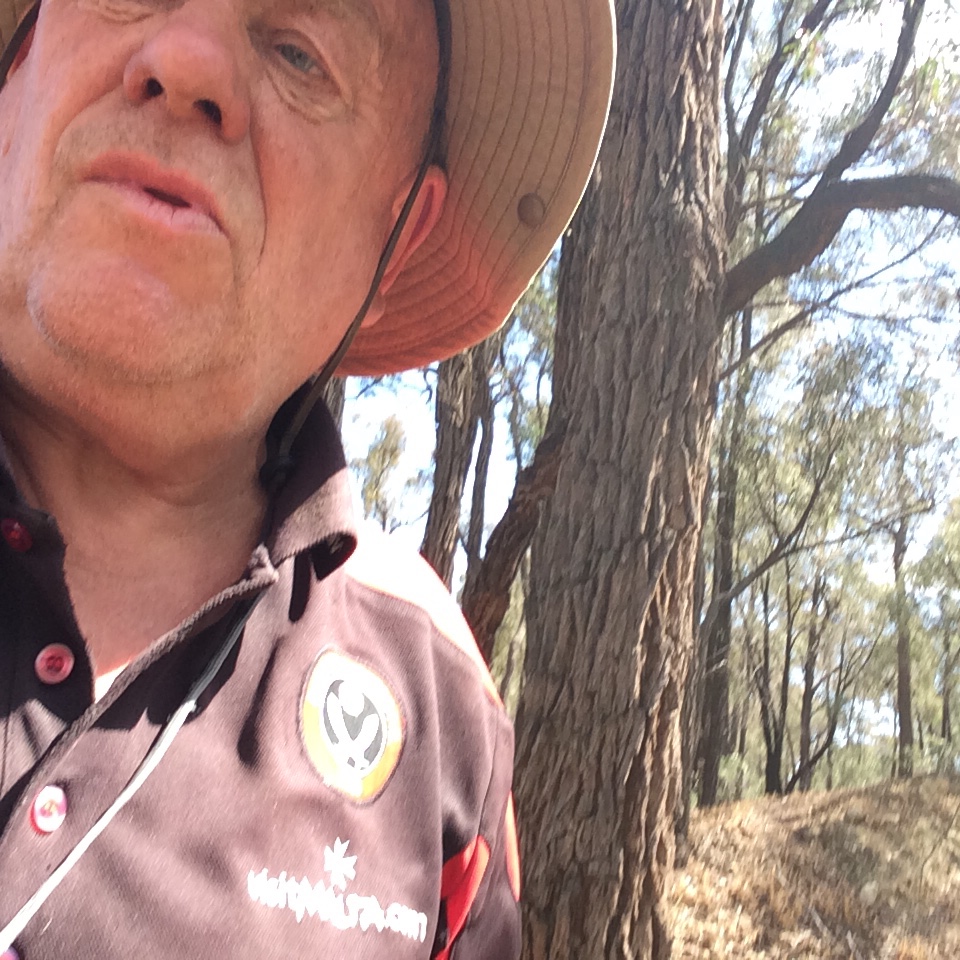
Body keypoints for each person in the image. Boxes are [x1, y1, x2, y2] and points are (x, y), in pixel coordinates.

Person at [0, 0, 614, 954]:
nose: (185, 60)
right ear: (14, 74)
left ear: (396, 236)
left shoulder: (437, 703)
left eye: (298, 54)